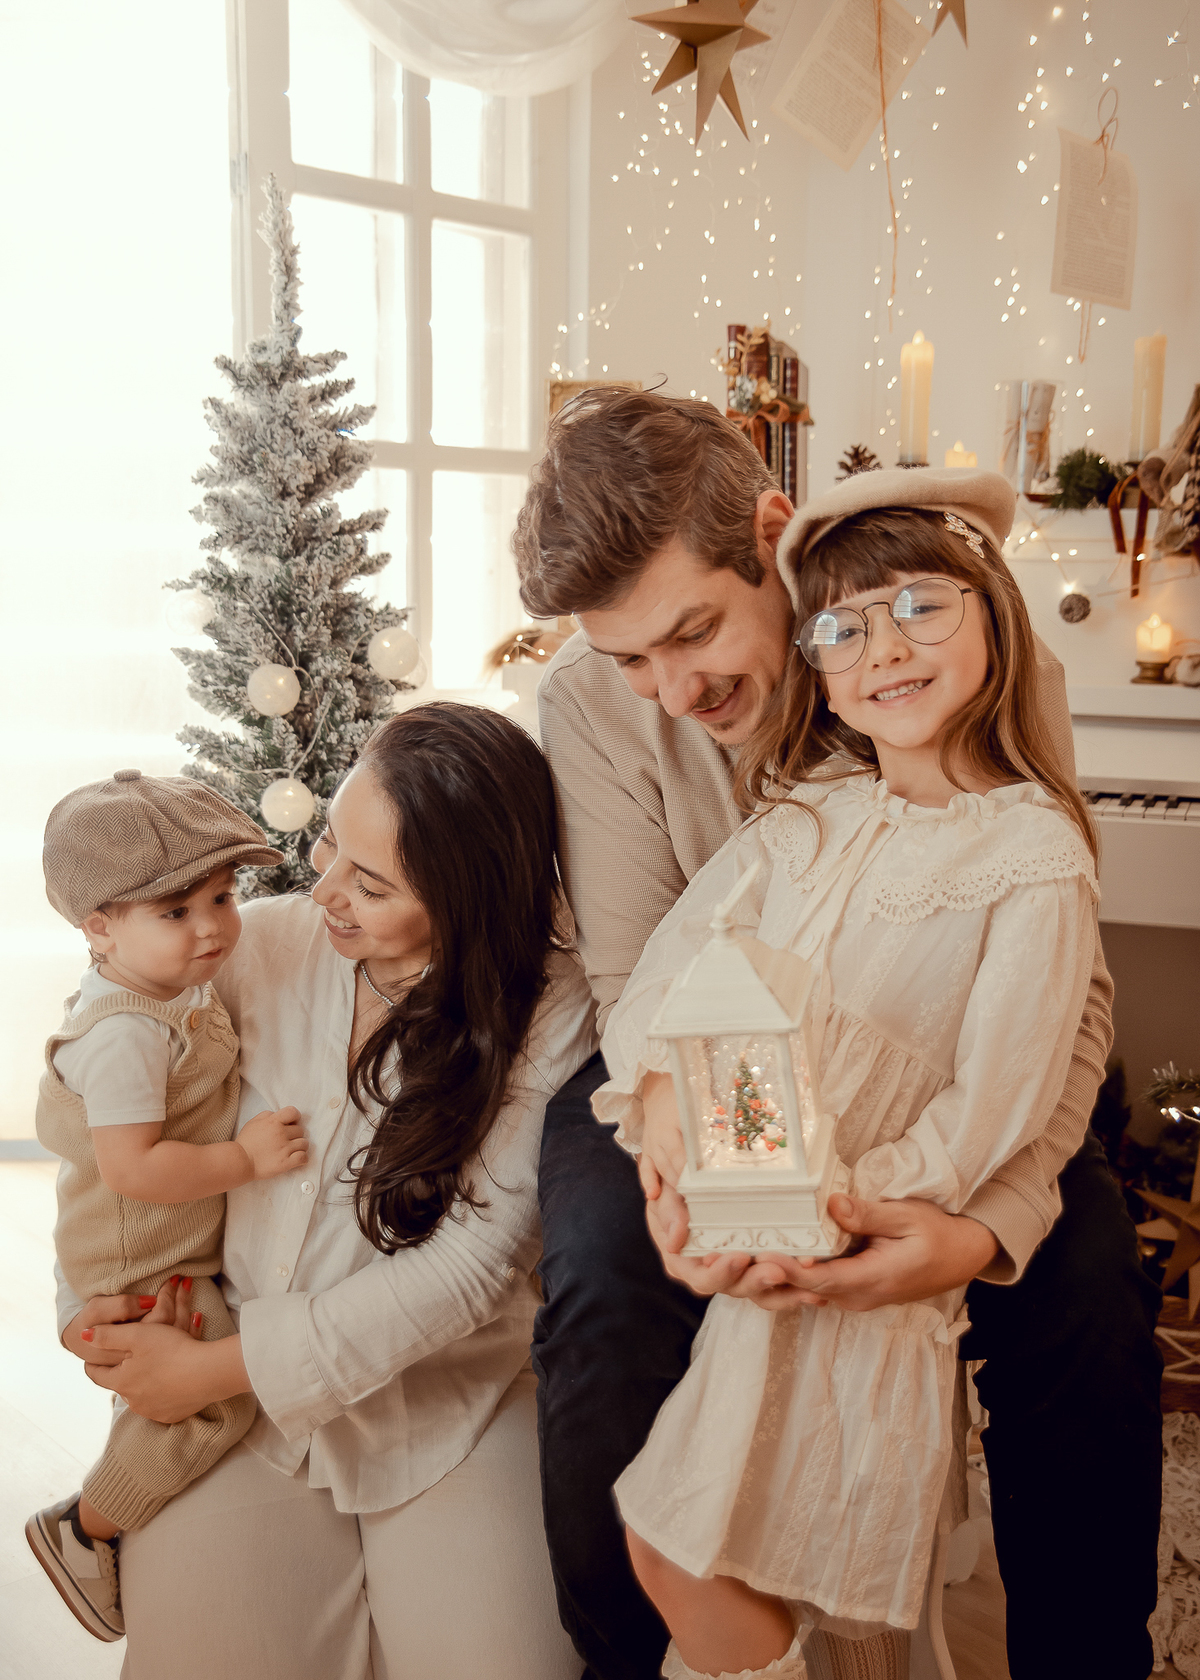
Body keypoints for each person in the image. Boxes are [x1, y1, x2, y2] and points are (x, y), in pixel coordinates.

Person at [514, 391, 1162, 1680]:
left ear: (775, 537)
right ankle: (636, 1651)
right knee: (596, 1254)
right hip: (710, 1058)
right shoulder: (593, 701)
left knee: (1081, 1273)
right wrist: (678, 1176)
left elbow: (1067, 992)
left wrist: (985, 1226)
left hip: (953, 1056)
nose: (672, 687)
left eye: (695, 629)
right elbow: (650, 981)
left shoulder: (947, 638)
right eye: (631, 656)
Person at [56, 704, 596, 1680]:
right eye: (331, 847)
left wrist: (212, 1373)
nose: (326, 892)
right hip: (230, 1404)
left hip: (448, 1400)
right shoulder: (250, 948)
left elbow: (467, 1275)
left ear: (467, 900)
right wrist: (91, 1308)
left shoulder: (550, 1013)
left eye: (373, 883)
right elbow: (109, 1120)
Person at [29, 771, 305, 1640]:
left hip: (148, 1249)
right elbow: (134, 1169)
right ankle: (87, 1527)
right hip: (139, 1260)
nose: (216, 927)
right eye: (176, 912)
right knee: (206, 1403)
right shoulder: (123, 1034)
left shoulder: (163, 994)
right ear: (99, 927)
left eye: (222, 897)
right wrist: (243, 1159)